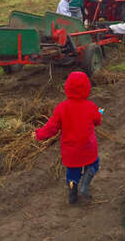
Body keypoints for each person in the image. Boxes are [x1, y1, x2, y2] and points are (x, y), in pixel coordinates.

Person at [34, 71, 102, 204]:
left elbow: (51, 127)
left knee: (72, 174)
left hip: (71, 151)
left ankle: (73, 192)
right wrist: (100, 111)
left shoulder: (61, 108)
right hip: (88, 147)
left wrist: (39, 134)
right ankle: (85, 185)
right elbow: (98, 120)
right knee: (94, 163)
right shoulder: (91, 107)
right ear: (87, 88)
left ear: (67, 88)